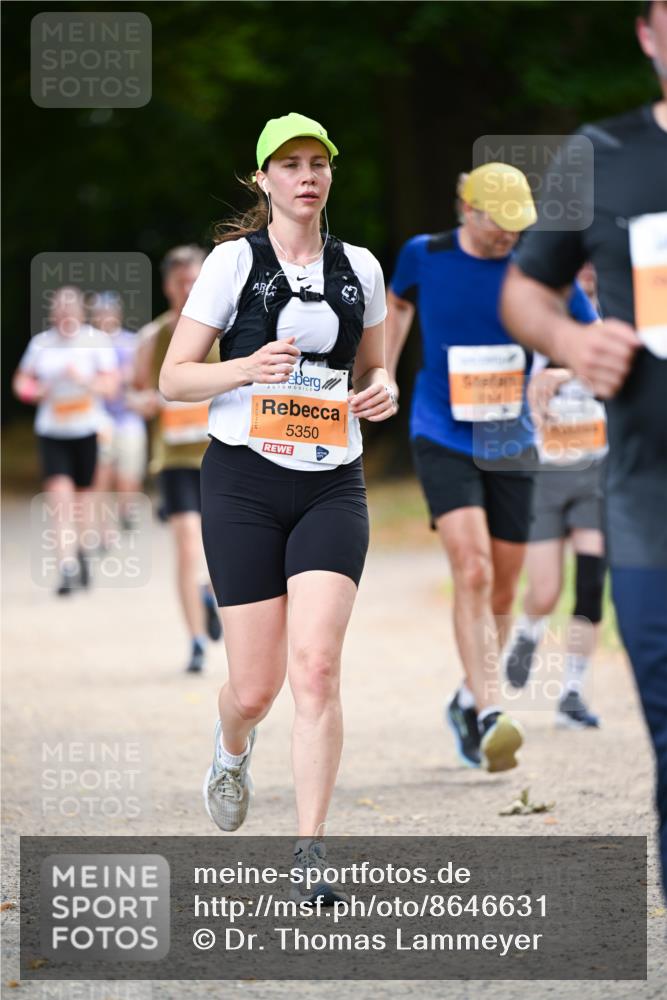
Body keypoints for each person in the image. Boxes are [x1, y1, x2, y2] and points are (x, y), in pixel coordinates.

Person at [159, 112, 395, 897]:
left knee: (317, 668)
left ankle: (310, 851)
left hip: (332, 481)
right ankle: (232, 748)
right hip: (245, 482)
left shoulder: (360, 266)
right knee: (255, 688)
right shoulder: (232, 262)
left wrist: (382, 391)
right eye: (288, 164)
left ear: (330, 174)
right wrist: (245, 368)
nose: (305, 176)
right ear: (262, 180)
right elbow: (174, 379)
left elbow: (377, 367)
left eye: (317, 163)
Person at [501, 0, 667, 895]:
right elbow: (527, 293)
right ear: (646, 34)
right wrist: (568, 345)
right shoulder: (595, 159)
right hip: (646, 497)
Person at [385, 163, 539, 773]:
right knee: (471, 570)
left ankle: (465, 699)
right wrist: (384, 374)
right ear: (469, 211)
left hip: (512, 438)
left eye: (518, 226)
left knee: (502, 585)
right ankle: (491, 712)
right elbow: (397, 304)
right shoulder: (425, 255)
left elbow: (579, 328)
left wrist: (554, 366)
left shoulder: (534, 265)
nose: (510, 236)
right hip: (441, 429)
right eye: (502, 224)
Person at [505, 267, 607, 728]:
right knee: (545, 590)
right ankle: (528, 632)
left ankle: (572, 690)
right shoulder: (535, 319)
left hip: (595, 473)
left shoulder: (618, 321)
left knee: (590, 582)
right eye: (576, 265)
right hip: (544, 474)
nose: (586, 274)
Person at [133, 246, 222, 673]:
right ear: (167, 286)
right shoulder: (154, 338)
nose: (188, 289)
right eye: (179, 282)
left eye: (195, 280)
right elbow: (134, 395)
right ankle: (196, 641)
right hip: (173, 459)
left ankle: (209, 592)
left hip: (223, 454)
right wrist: (148, 402)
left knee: (223, 547)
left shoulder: (227, 330)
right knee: (187, 544)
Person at [12, 286, 119, 595]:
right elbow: (21, 381)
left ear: (81, 313)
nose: (65, 316)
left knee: (84, 503)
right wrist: (35, 392)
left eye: (71, 310)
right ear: (52, 313)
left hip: (87, 430)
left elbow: (111, 386)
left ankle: (83, 550)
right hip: (52, 432)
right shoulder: (41, 344)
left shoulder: (95, 342)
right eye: (60, 310)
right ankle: (66, 567)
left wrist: (85, 380)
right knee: (60, 501)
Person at [90, 291, 148, 541]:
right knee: (101, 473)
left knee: (128, 474)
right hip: (98, 417)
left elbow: (141, 377)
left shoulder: (132, 342)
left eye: (108, 311)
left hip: (128, 416)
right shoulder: (87, 344)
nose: (104, 317)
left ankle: (126, 509)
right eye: (99, 313)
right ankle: (103, 530)